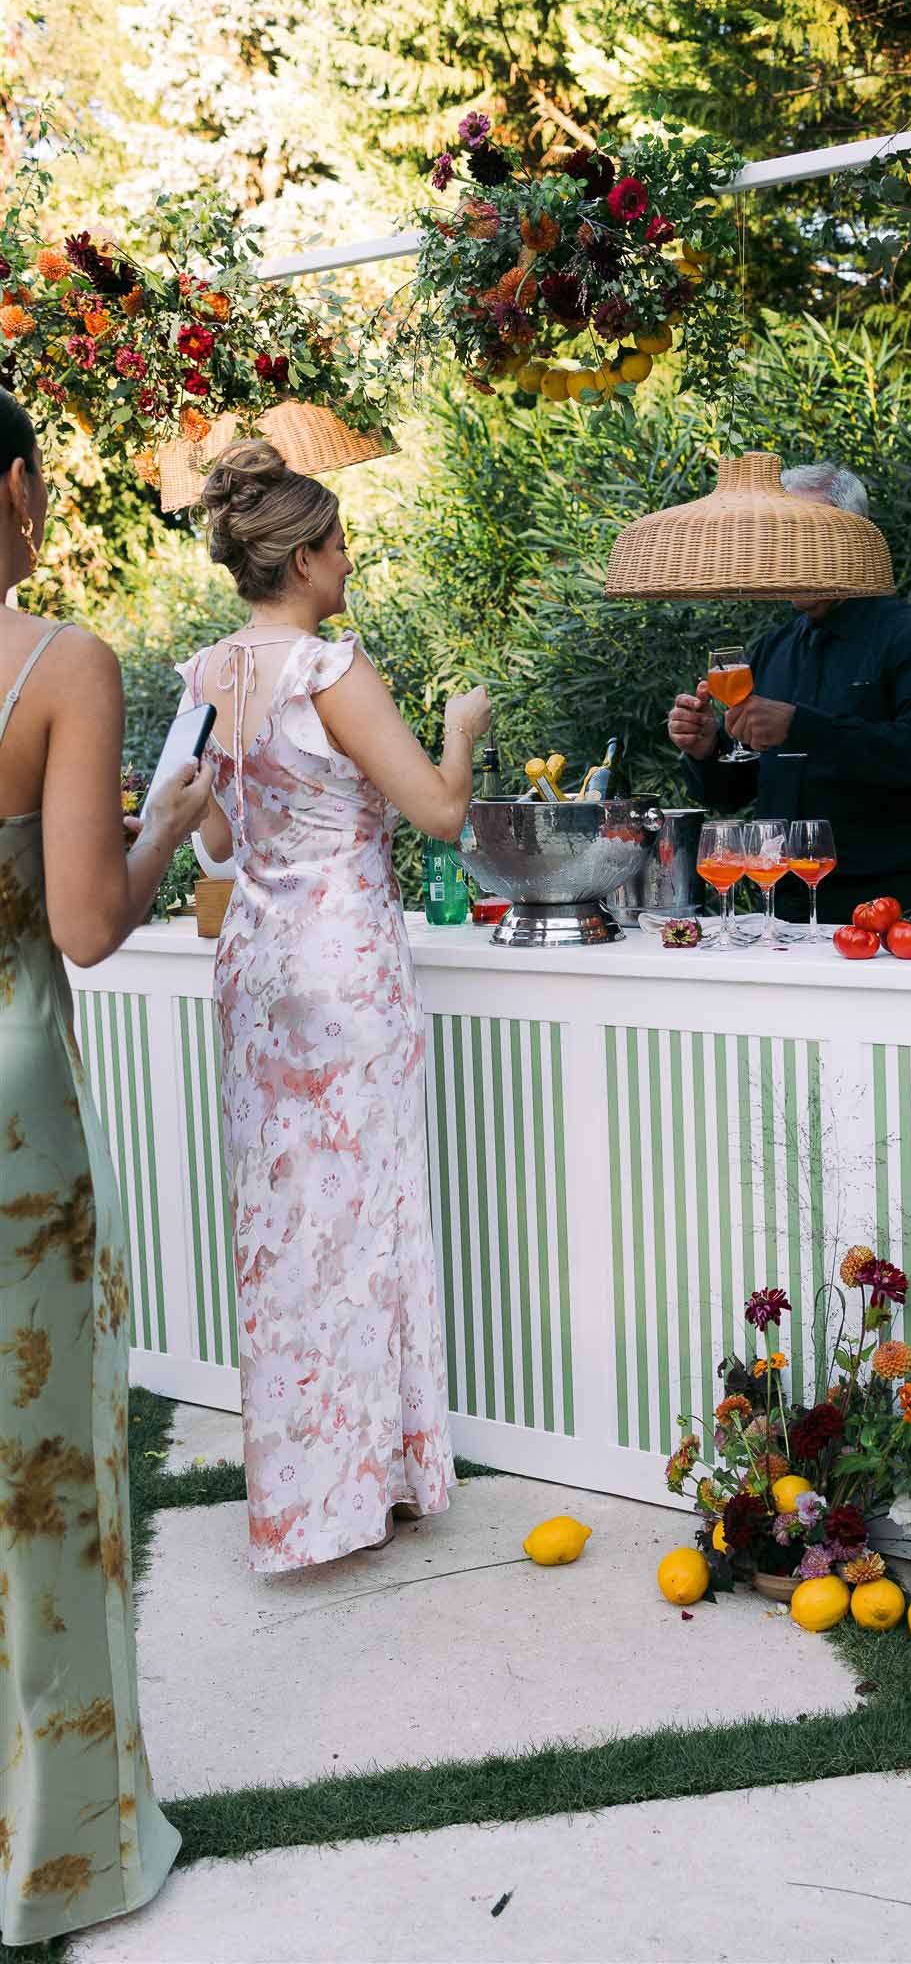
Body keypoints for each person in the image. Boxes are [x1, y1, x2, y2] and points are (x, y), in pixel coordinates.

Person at [184, 440, 490, 1572]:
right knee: (365, 1221)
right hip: (346, 966)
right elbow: (442, 813)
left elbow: (215, 838)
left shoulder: (208, 675)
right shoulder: (330, 666)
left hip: (258, 972)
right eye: (343, 544)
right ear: (306, 558)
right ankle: (372, 1490)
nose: (351, 560)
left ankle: (311, 1496)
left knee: (283, 1229)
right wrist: (461, 723)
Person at [0, 391, 209, 1946]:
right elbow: (81, 926)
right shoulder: (57, 661)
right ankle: (56, 1849)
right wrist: (170, 824)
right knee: (39, 1474)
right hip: (9, 1116)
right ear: (14, 485)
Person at [668, 460, 911, 921]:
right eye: (782, 538)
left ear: (852, 538)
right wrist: (707, 750)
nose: (787, 552)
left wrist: (800, 726)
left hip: (899, 910)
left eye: (804, 535)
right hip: (784, 911)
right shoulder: (774, 648)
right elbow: (736, 791)